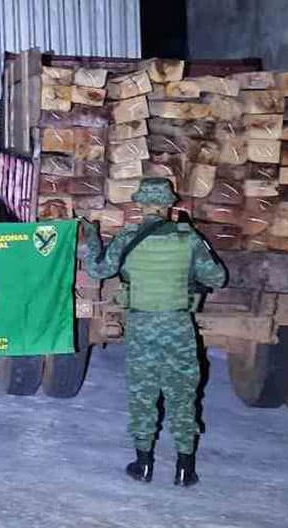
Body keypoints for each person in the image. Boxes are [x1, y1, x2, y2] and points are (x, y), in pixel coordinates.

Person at [80, 177, 227, 487]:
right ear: (170, 204)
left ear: (140, 205)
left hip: (143, 326)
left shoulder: (128, 237)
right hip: (178, 326)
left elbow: (98, 270)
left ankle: (143, 463)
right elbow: (217, 277)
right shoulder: (189, 237)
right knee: (183, 395)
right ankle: (185, 468)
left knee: (143, 394)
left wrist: (92, 238)